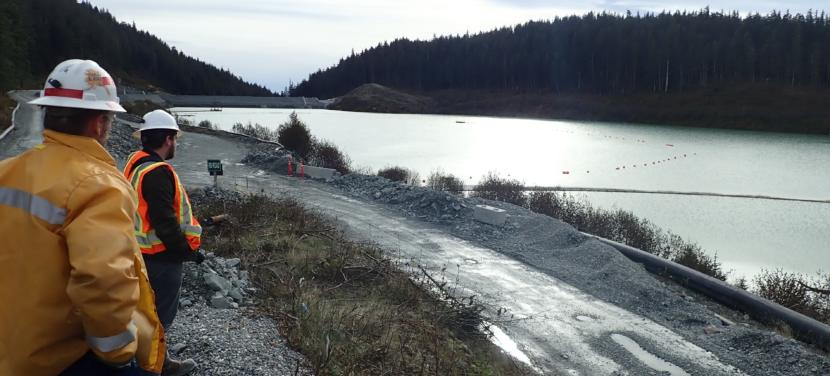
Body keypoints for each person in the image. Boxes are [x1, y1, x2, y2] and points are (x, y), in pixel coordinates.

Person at [0, 59, 165, 375]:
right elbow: (101, 282)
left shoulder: (7, 171)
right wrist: (117, 354)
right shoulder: (99, 186)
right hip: (62, 359)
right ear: (99, 124)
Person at [123, 110, 204, 376]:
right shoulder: (158, 172)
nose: (176, 144)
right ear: (168, 139)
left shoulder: (136, 163)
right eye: (175, 138)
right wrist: (187, 251)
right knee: (159, 318)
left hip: (140, 253)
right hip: (161, 257)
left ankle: (154, 360)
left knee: (144, 312)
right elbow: (165, 222)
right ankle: (156, 367)